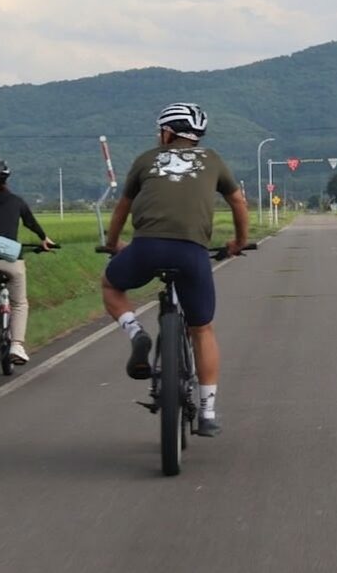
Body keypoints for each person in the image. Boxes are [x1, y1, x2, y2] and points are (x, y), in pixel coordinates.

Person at [101, 102, 249, 438]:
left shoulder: (145, 159)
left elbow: (122, 208)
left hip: (146, 247)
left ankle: (136, 332)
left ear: (168, 132)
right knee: (202, 329)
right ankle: (208, 412)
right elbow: (238, 201)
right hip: (191, 252)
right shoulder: (212, 159)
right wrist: (239, 241)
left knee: (111, 286)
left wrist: (113, 244)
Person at [0, 158, 55, 365]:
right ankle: (17, 345)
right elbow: (31, 222)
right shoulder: (16, 201)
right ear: (7, 179)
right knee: (19, 303)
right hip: (11, 259)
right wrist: (44, 239)